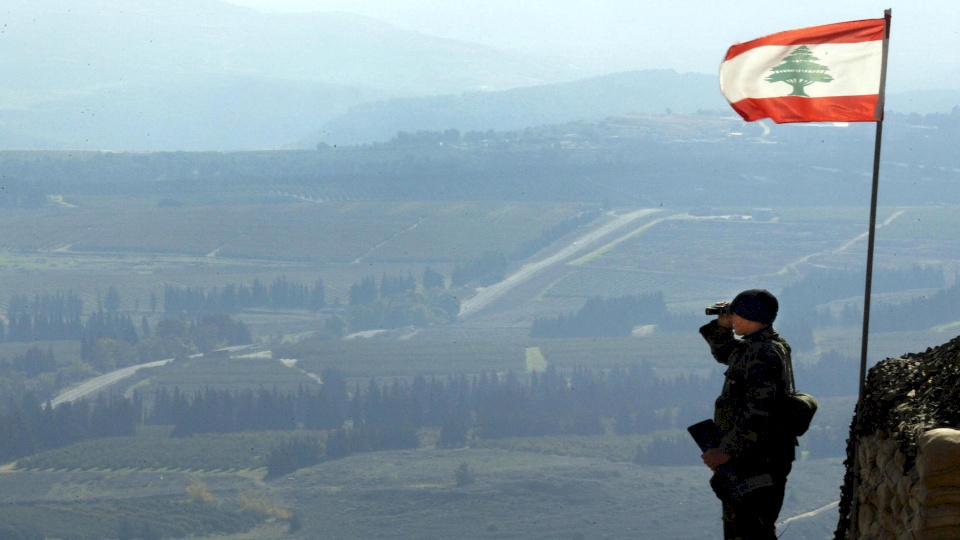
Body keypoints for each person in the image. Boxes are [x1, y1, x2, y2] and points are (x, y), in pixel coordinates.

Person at [698, 289, 796, 540]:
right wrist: (721, 327)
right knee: (744, 528)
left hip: (757, 461)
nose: (733, 321)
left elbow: (760, 413)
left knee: (751, 530)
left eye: (736, 316)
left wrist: (726, 450)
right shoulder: (761, 346)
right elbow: (728, 353)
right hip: (751, 458)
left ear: (749, 316)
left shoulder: (763, 354)